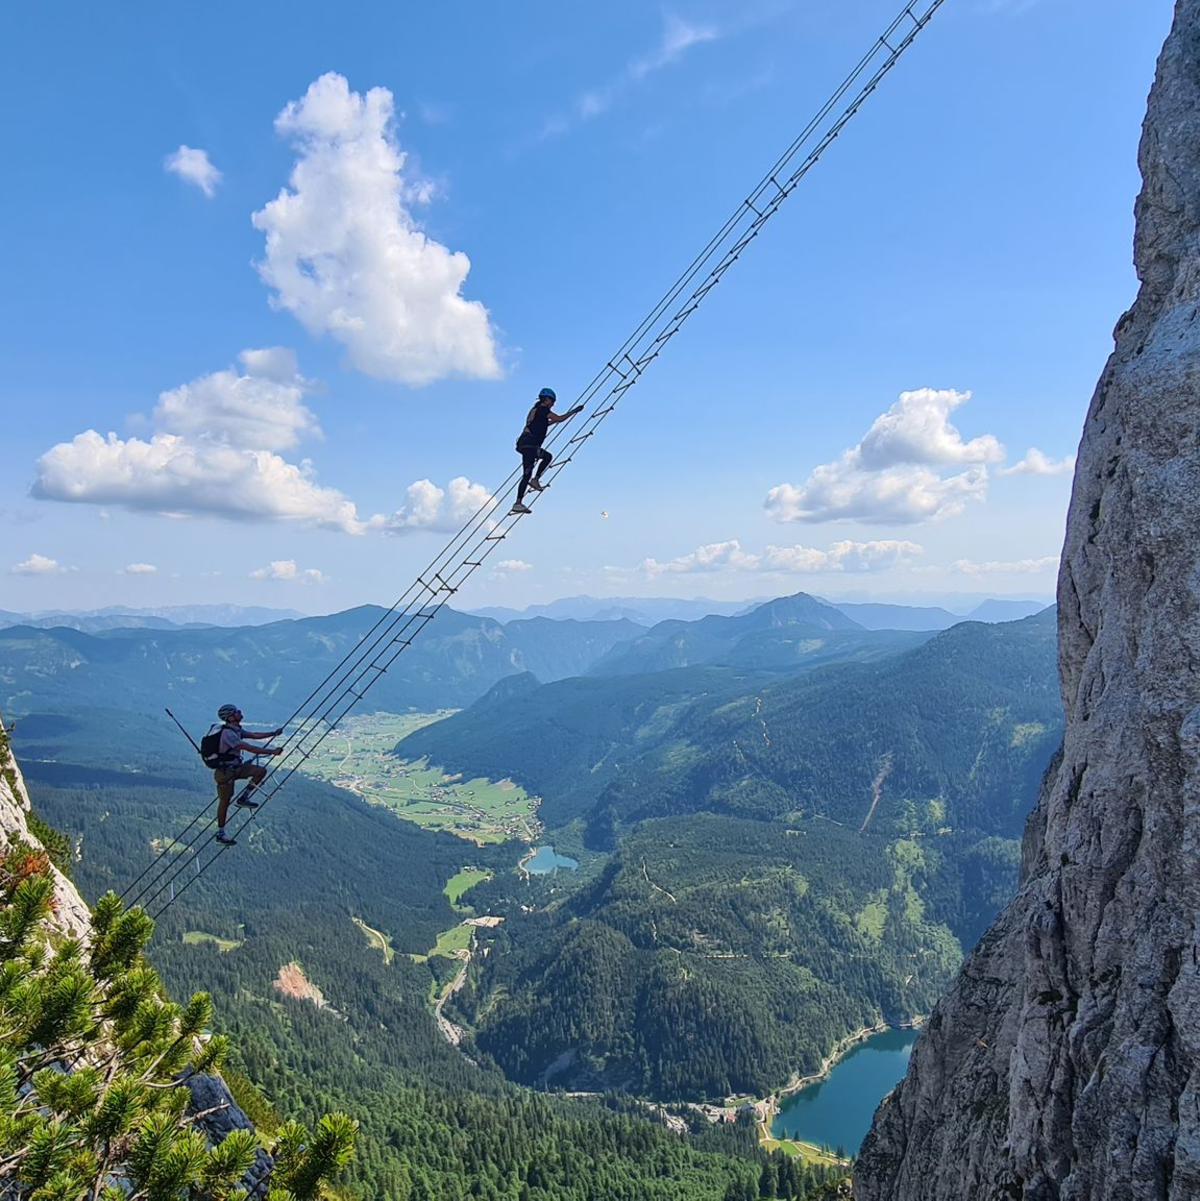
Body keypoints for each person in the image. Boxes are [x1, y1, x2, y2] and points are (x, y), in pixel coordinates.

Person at [210, 704, 283, 846]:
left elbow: (254, 735)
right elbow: (249, 747)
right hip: (225, 772)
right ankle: (221, 833)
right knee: (224, 803)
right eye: (236, 712)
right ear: (230, 717)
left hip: (234, 768)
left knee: (260, 771)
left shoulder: (235, 729)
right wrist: (272, 752)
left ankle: (244, 798)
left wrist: (273, 733)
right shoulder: (228, 734)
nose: (240, 712)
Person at [511, 387, 583, 514]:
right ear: (547, 400)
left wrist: (555, 421)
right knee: (543, 460)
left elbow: (543, 424)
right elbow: (560, 418)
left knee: (528, 472)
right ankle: (529, 488)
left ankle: (521, 498)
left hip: (526, 445)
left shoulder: (536, 411)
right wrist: (573, 412)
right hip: (530, 445)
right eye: (552, 401)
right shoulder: (542, 410)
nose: (553, 404)